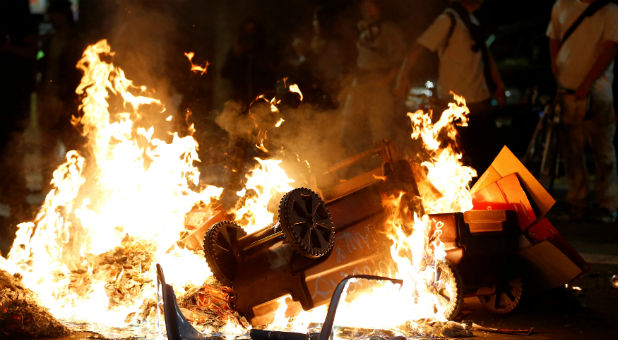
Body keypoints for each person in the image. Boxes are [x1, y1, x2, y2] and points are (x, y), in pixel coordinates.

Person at [395, 0, 506, 173]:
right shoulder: (449, 19)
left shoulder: (472, 21)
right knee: (462, 163)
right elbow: (419, 46)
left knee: (487, 161)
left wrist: (498, 84)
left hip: (480, 102)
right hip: (456, 108)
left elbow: (485, 56)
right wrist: (402, 76)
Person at [547, 0, 618, 223]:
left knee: (603, 149)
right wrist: (557, 71)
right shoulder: (561, 5)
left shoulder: (609, 10)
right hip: (567, 91)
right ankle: (577, 200)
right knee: (571, 150)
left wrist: (586, 83)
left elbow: (610, 48)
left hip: (597, 92)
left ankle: (607, 203)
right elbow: (554, 38)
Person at [340, 0, 406, 158]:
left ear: (380, 7)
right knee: (348, 124)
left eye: (371, 6)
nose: (367, 10)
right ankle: (347, 164)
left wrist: (385, 82)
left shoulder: (390, 30)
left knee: (380, 127)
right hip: (360, 82)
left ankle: (388, 165)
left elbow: (399, 61)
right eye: (364, 7)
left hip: (379, 81)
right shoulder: (361, 29)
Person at [38, 0, 84, 191]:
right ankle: (51, 186)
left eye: (54, 14)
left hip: (67, 101)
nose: (51, 19)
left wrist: (67, 99)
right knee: (47, 144)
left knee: (73, 143)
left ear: (63, 15)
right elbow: (44, 67)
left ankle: (76, 186)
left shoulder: (75, 40)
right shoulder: (50, 40)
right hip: (49, 98)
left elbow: (77, 73)